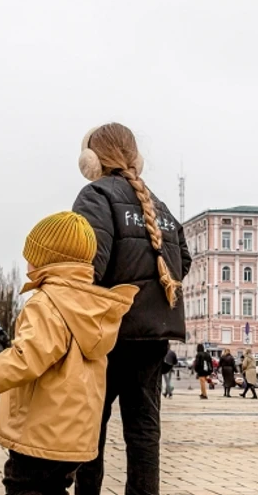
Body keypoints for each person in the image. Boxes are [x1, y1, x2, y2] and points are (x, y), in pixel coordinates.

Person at [0, 211, 138, 495]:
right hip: (74, 435)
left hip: (41, 430)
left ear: (46, 260)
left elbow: (27, 356)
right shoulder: (90, 304)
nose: (27, 262)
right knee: (54, 487)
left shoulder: (46, 303)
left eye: (31, 255)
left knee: (25, 487)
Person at [71, 123, 190, 495]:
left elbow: (90, 265)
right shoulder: (162, 207)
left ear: (90, 160)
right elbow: (181, 263)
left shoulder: (95, 195)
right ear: (135, 157)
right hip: (154, 336)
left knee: (90, 428)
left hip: (106, 336)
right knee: (144, 432)